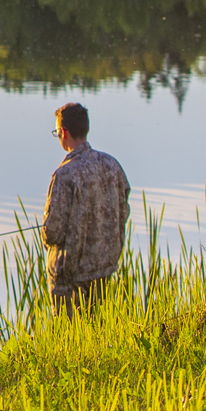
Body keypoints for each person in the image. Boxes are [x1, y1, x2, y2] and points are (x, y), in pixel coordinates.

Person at [41, 101, 130, 313]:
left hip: (70, 277)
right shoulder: (112, 165)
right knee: (97, 333)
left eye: (57, 132)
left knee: (67, 337)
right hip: (104, 268)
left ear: (64, 132)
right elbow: (123, 210)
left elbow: (52, 232)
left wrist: (44, 232)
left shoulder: (64, 174)